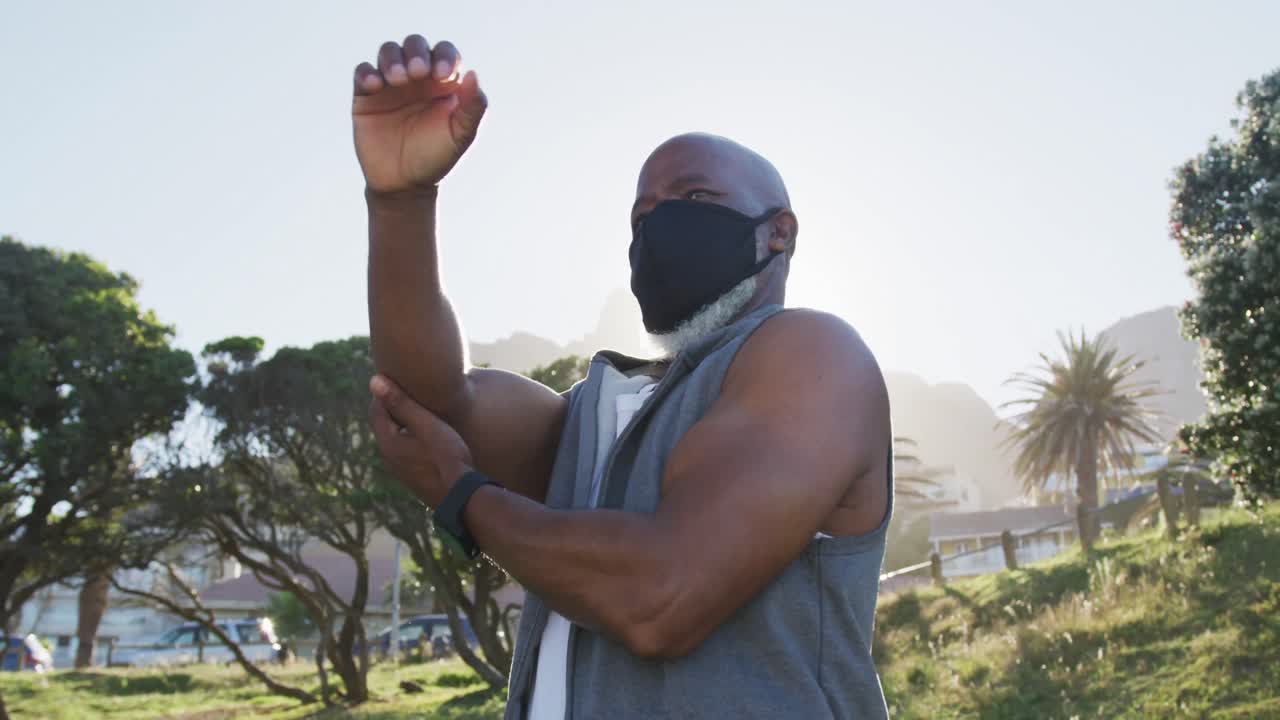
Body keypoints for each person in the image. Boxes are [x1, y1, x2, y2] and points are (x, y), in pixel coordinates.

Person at [354, 32, 892, 720]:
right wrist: (400, 200)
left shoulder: (813, 355)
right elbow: (427, 406)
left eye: (693, 195)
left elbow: (663, 596)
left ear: (778, 232)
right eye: (642, 215)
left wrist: (467, 498)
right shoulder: (589, 412)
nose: (660, 222)